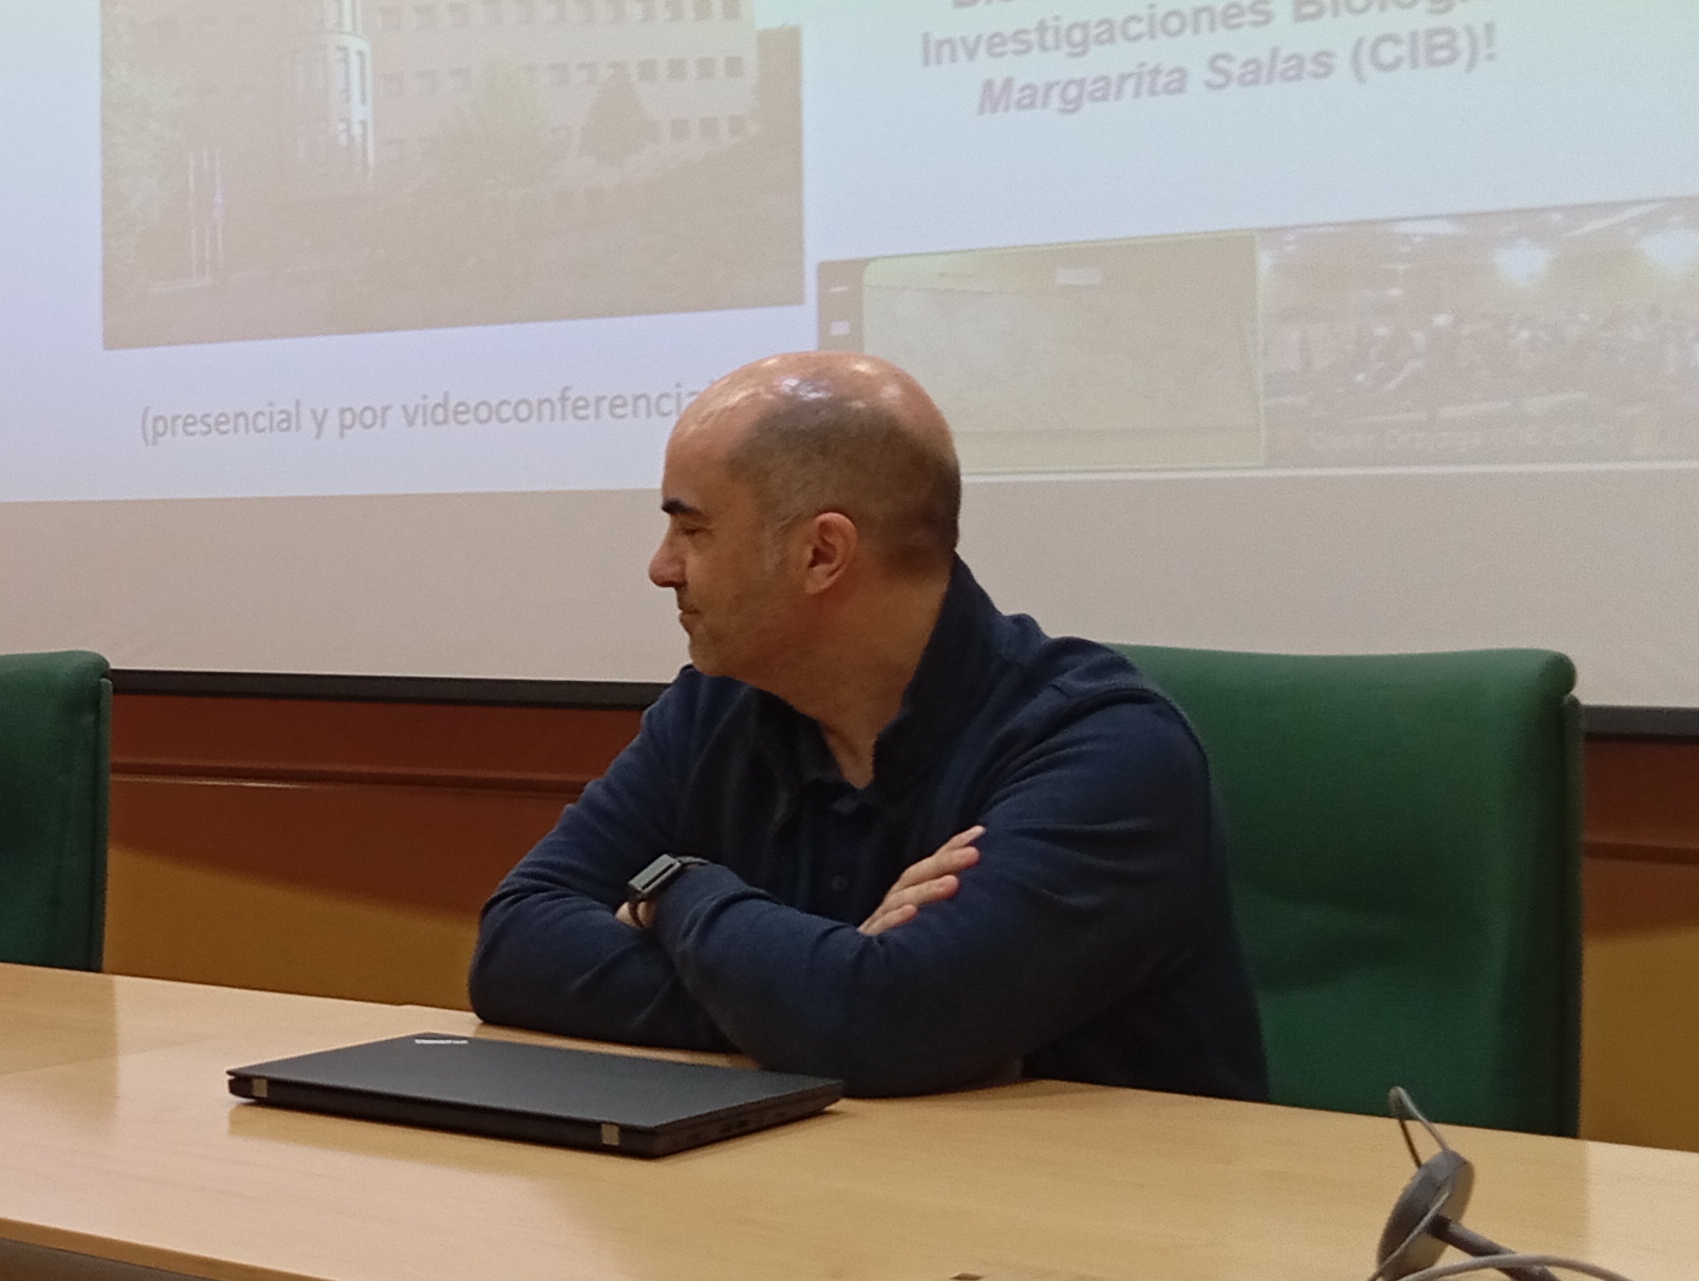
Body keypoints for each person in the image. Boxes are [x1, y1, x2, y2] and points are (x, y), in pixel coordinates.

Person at [470, 352, 1266, 1099]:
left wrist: (675, 890)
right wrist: (819, 984)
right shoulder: (716, 709)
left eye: (694, 529)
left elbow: (891, 1023)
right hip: (813, 1197)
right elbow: (513, 948)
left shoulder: (1105, 750)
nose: (661, 565)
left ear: (822, 554)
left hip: (1089, 1227)